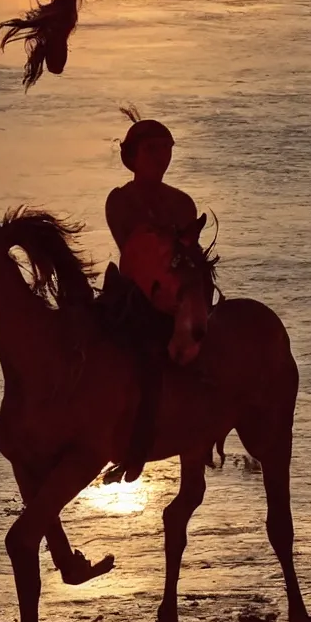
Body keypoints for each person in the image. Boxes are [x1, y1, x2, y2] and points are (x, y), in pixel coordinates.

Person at [105, 110, 199, 482]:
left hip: (181, 295)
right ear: (133, 156)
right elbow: (134, 249)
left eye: (167, 147)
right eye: (152, 149)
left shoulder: (183, 202)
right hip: (135, 296)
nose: (162, 155)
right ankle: (135, 448)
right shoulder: (120, 200)